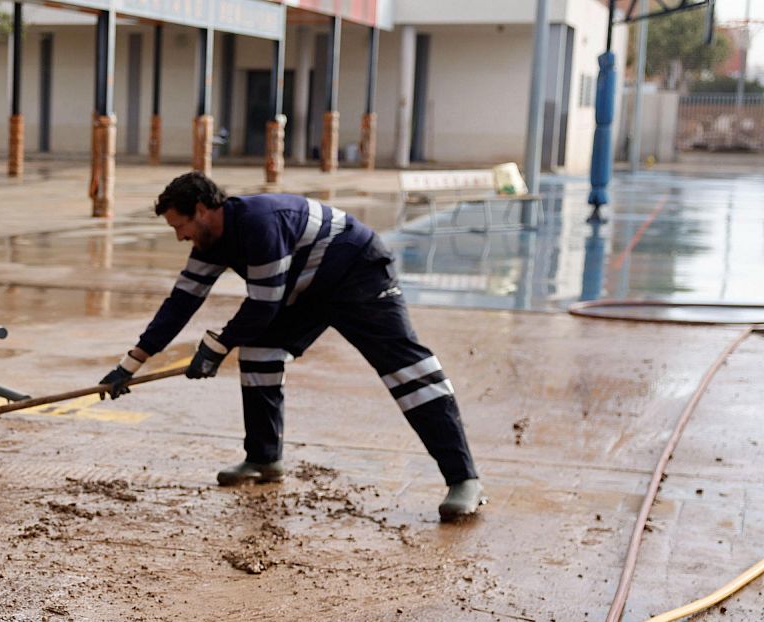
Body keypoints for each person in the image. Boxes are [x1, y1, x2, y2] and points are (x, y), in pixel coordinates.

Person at [100, 172, 483, 523]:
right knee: (259, 353)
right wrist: (129, 365)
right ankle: (264, 458)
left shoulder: (260, 223)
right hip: (306, 289)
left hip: (357, 273)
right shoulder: (210, 243)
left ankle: (464, 480)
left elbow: (264, 304)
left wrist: (217, 347)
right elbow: (180, 304)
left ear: (201, 211)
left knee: (409, 372)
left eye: (179, 226)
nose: (179, 236)